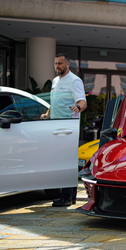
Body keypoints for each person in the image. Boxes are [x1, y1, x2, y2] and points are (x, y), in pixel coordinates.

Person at [42, 53, 87, 207]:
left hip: (68, 128)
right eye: (55, 63)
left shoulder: (75, 81)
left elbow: (83, 101)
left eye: (60, 63)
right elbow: (54, 102)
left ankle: (67, 197)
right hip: (56, 127)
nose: (57, 66)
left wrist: (78, 107)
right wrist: (47, 114)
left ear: (67, 64)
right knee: (62, 162)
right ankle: (70, 197)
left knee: (66, 162)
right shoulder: (55, 81)